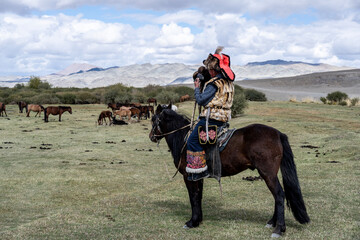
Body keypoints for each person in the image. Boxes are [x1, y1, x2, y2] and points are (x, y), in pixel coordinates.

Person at [186, 47, 235, 181]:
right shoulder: (229, 84)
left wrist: (197, 89)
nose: (209, 72)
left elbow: (201, 100)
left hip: (211, 118)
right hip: (223, 119)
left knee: (192, 141)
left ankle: (199, 171)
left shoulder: (214, 84)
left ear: (213, 70)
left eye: (210, 70)